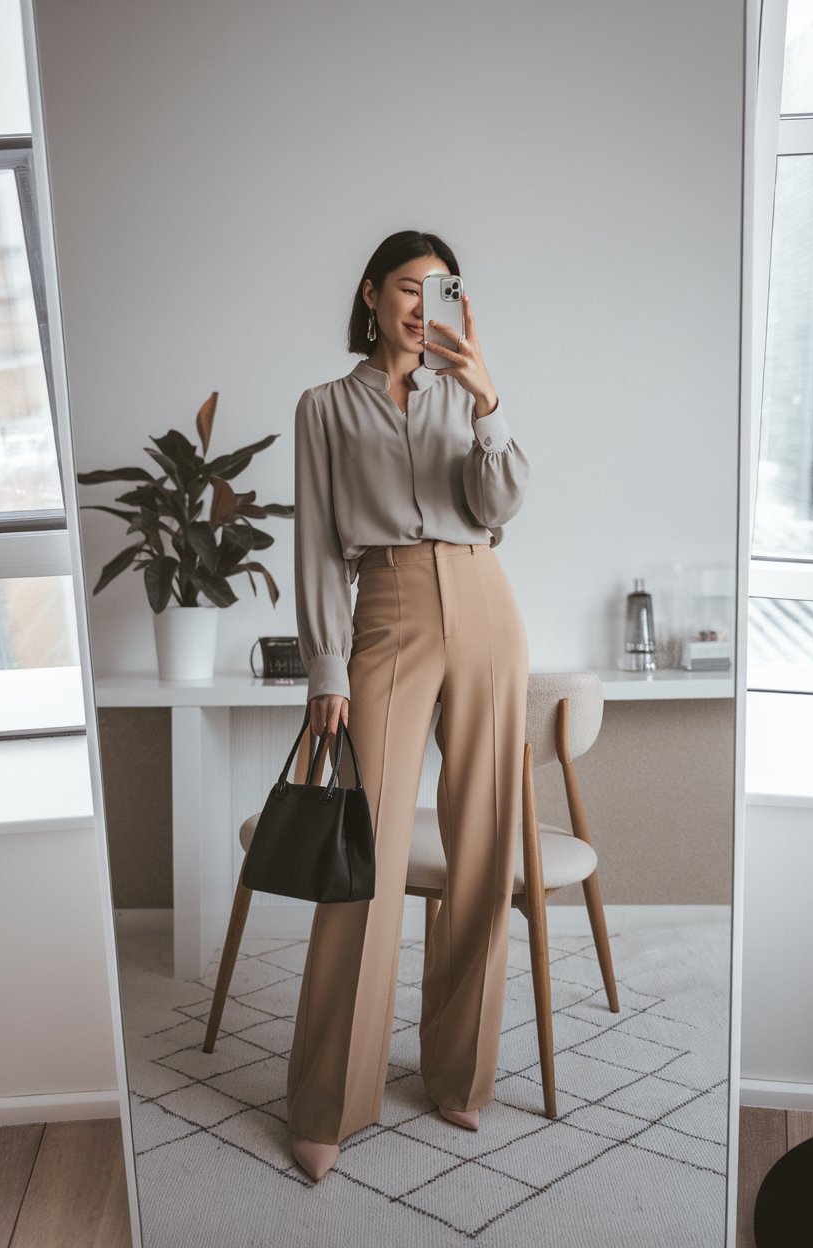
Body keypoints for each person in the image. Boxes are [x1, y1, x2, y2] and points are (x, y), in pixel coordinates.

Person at [286, 229, 530, 1182]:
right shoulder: (324, 408)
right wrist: (327, 669)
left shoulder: (466, 395)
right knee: (366, 857)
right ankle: (328, 1101)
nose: (424, 306)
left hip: (484, 601)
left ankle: (460, 1077)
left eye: (442, 289)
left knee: (485, 844)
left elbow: (500, 503)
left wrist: (488, 403)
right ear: (373, 293)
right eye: (409, 288)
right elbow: (315, 543)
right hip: (384, 603)